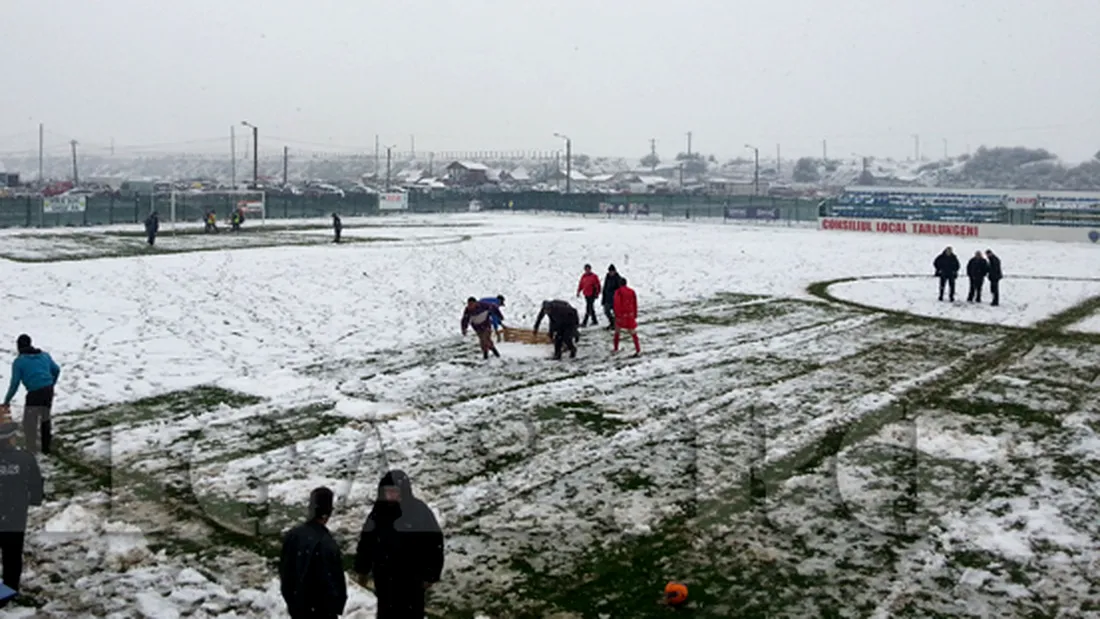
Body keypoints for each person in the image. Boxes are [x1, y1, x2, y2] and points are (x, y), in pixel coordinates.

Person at [354, 470, 444, 619]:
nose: (391, 496)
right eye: (387, 492)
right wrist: (362, 569)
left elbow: (434, 544)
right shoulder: (378, 513)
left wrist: (431, 575)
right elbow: (366, 543)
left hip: (412, 579)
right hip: (385, 580)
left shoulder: (419, 511)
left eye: (394, 492)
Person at [279, 487, 348, 619]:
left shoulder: (293, 536)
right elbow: (335, 583)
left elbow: (285, 572)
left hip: (299, 608)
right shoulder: (327, 544)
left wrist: (292, 603)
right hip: (321, 612)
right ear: (328, 513)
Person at [0, 421, 44, 608]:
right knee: (12, 557)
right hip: (14, 517)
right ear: (11, 439)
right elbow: (36, 484)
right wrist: (34, 500)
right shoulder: (25, 459)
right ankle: (7, 594)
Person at [2, 335, 60, 455]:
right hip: (48, 390)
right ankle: (46, 449)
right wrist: (51, 383)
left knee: (29, 422)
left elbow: (15, 384)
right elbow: (57, 369)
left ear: (18, 347)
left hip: (34, 393)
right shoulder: (44, 356)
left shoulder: (19, 362)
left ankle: (31, 449)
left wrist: (7, 400)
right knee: (45, 418)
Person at [613, 278, 641, 357]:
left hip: (622, 315)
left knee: (617, 331)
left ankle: (616, 348)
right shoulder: (632, 291)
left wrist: (617, 315)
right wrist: (635, 314)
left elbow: (617, 304)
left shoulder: (618, 292)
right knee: (633, 332)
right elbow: (635, 303)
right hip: (630, 314)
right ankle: (638, 349)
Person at [601, 265, 625, 330]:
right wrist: (603, 299)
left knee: (616, 313)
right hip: (608, 299)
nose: (611, 273)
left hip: (615, 299)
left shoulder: (618, 278)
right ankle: (612, 322)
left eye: (612, 271)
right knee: (606, 311)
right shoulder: (607, 278)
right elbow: (605, 288)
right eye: (610, 271)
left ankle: (616, 324)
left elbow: (620, 290)